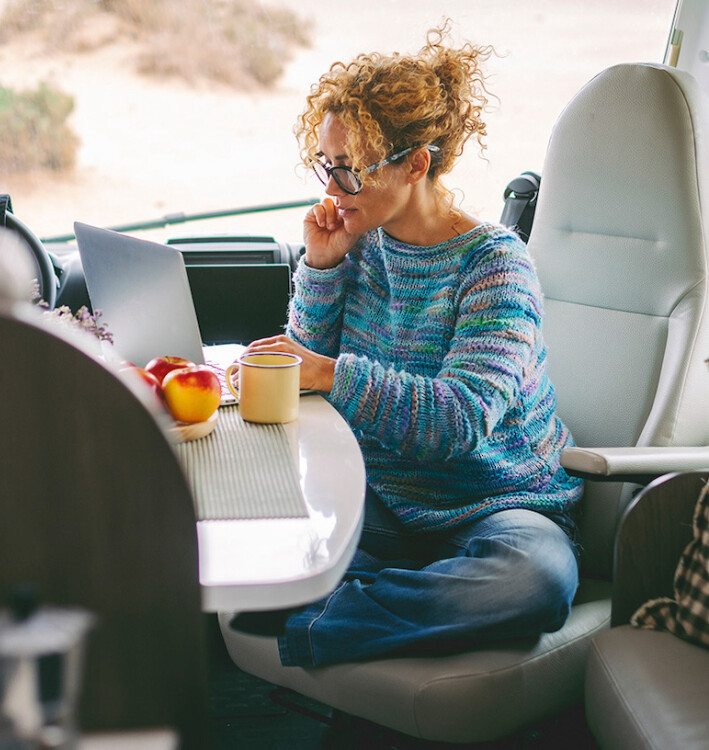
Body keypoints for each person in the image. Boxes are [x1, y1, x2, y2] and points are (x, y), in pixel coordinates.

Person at [232, 23, 583, 668]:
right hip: (377, 504)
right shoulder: (356, 241)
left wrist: (334, 374)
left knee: (536, 581)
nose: (332, 189)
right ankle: (357, 608)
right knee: (246, 549)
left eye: (350, 170)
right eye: (326, 166)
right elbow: (302, 372)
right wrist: (322, 266)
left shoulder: (494, 264)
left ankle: (312, 625)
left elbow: (459, 420)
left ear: (416, 164)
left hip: (495, 507)